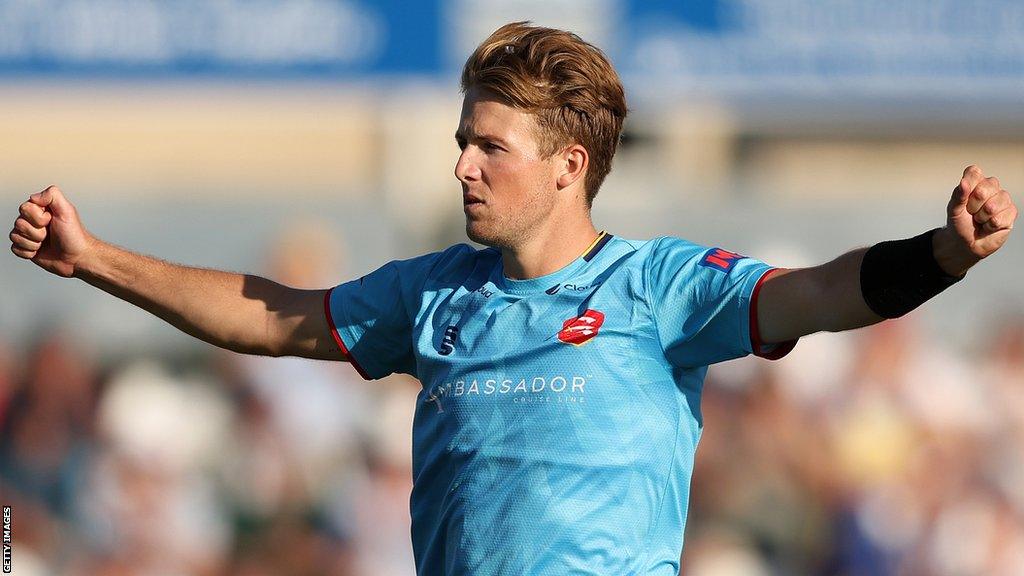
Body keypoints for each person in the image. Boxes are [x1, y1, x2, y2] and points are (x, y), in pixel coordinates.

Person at [8, 20, 1017, 576]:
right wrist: (96, 259)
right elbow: (274, 316)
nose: (462, 167)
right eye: (461, 142)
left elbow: (826, 292)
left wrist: (941, 253)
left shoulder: (660, 289)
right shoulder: (430, 293)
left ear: (568, 165)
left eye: (489, 145)